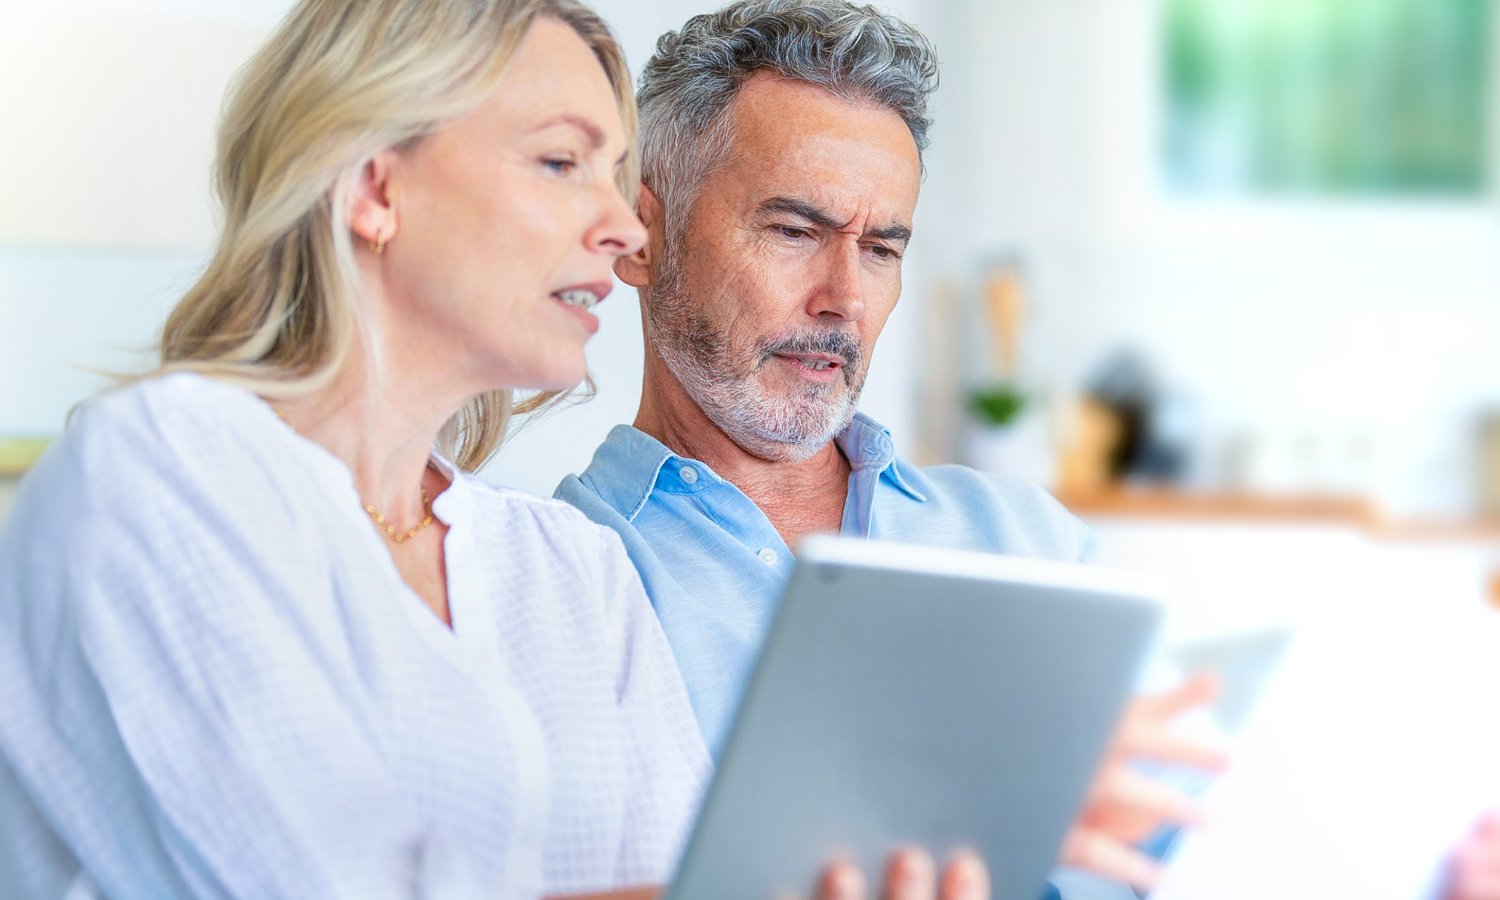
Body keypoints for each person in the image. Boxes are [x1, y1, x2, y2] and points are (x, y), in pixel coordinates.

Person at [0, 2, 986, 898]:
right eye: (562, 163)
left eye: (613, 177)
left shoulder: (566, 569)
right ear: (374, 185)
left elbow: (699, 877)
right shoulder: (162, 474)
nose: (616, 228)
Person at [553, 2, 1229, 896]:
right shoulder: (556, 579)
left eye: (880, 248)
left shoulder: (1031, 542)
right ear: (644, 235)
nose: (845, 299)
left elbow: (1180, 848)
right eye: (795, 231)